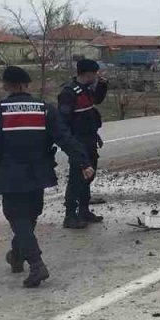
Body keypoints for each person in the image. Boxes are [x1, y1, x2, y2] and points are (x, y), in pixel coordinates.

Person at [0, 66, 95, 288]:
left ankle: (36, 264)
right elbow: (65, 138)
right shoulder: (45, 110)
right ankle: (16, 255)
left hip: (12, 174)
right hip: (40, 173)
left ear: (6, 86)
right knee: (29, 215)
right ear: (26, 85)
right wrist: (84, 162)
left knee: (17, 217)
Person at [57, 58, 107, 229]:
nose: (97, 76)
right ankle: (70, 215)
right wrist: (71, 144)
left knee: (89, 175)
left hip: (90, 138)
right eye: (95, 73)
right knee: (77, 178)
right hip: (77, 141)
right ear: (87, 74)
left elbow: (96, 101)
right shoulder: (69, 93)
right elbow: (63, 121)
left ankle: (84, 210)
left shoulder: (85, 90)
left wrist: (102, 86)